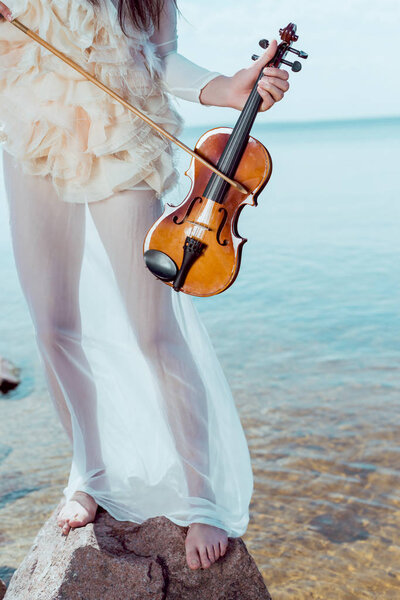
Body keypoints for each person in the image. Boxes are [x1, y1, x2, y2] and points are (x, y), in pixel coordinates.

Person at [0, 0, 290, 571]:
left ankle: (201, 496)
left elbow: (158, 58)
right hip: (30, 131)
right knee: (54, 326)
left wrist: (228, 86)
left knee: (155, 332)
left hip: (119, 137)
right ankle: (90, 471)